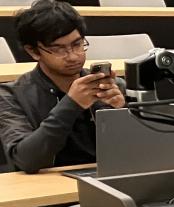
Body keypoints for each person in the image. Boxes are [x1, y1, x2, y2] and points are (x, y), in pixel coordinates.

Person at [0, 0, 126, 173]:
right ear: (33, 51)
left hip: (107, 182)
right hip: (50, 192)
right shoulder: (10, 96)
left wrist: (121, 114)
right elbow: (26, 160)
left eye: (77, 44)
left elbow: (143, 150)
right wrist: (71, 104)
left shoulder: (113, 88)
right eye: (59, 49)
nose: (73, 56)